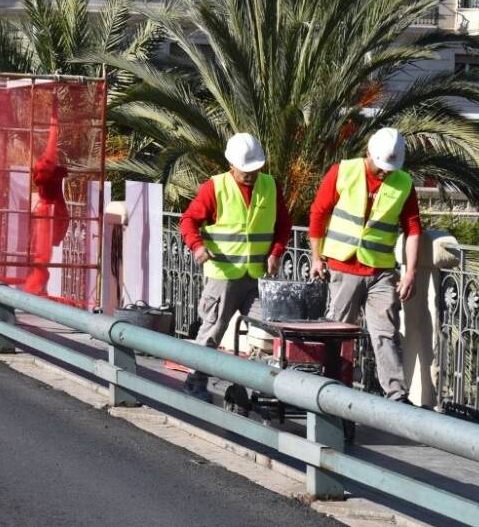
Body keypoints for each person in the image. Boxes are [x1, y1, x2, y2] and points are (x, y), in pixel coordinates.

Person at [309, 127, 421, 403]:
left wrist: (410, 272)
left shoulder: (404, 183)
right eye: (380, 166)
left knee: (386, 333)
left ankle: (397, 395)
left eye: (390, 168)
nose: (385, 173)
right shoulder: (343, 171)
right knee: (337, 332)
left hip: (381, 271)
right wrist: (316, 256)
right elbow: (318, 213)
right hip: (343, 266)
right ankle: (330, 389)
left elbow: (413, 229)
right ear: (368, 153)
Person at [179, 133, 292, 401]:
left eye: (256, 168)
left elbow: (283, 225)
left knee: (266, 330)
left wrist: (276, 253)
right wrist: (197, 246)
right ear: (232, 165)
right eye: (246, 170)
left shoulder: (270, 186)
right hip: (224, 277)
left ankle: (257, 388)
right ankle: (195, 381)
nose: (251, 174)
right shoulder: (215, 187)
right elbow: (188, 221)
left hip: (256, 277)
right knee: (212, 331)